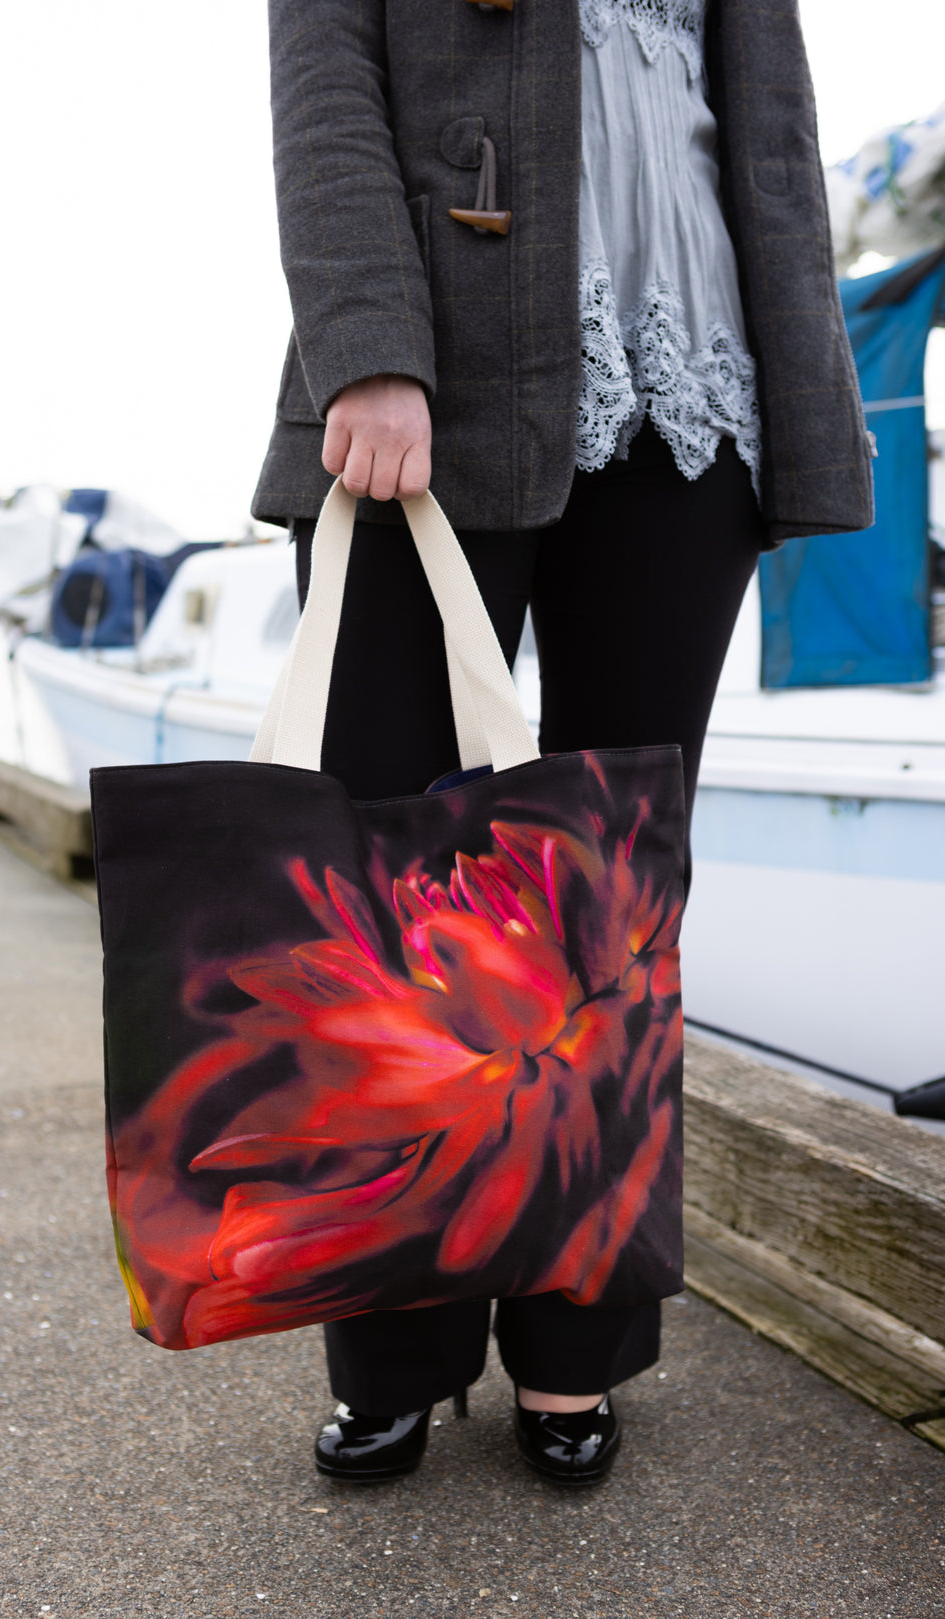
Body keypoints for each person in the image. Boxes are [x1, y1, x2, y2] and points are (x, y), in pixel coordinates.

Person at [252, 0, 872, 1486]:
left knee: (613, 916)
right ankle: (396, 1350)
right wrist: (365, 347)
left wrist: (803, 401)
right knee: (400, 904)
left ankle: (574, 1353)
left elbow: (767, 137)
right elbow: (324, 82)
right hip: (431, 390)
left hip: (695, 400)